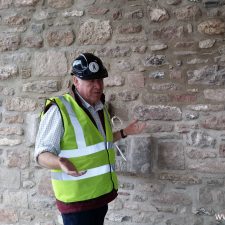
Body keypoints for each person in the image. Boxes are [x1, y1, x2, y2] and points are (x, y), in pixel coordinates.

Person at [34, 53, 146, 225]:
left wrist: (125, 132)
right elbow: (41, 153)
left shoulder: (99, 107)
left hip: (99, 196)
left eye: (100, 80)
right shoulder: (59, 109)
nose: (98, 86)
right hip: (77, 202)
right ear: (76, 81)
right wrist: (59, 162)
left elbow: (101, 144)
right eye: (91, 81)